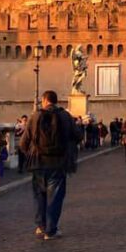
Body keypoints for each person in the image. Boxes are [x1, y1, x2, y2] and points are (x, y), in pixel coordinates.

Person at [20, 90, 80, 240]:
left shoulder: (35, 116)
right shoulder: (65, 116)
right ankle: (51, 230)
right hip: (58, 163)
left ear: (44, 100)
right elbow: (78, 136)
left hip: (38, 163)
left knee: (39, 196)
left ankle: (41, 226)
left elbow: (23, 143)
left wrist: (32, 153)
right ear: (56, 101)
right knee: (55, 197)